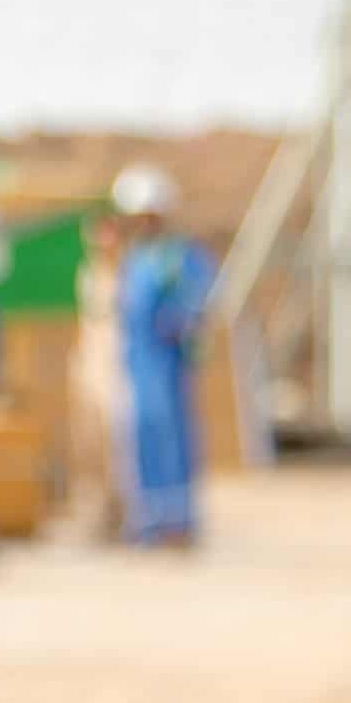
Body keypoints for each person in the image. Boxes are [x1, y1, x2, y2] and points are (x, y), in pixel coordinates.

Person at [107, 164, 218, 549]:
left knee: (173, 440)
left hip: (166, 366)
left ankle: (179, 522)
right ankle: (147, 522)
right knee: (139, 441)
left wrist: (181, 319)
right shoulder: (133, 259)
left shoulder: (179, 256)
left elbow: (203, 295)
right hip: (137, 365)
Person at [66, 206, 127, 543]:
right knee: (90, 446)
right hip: (91, 366)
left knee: (119, 447)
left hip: (119, 368)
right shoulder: (89, 273)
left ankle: (123, 515)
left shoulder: (130, 274)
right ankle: (98, 516)